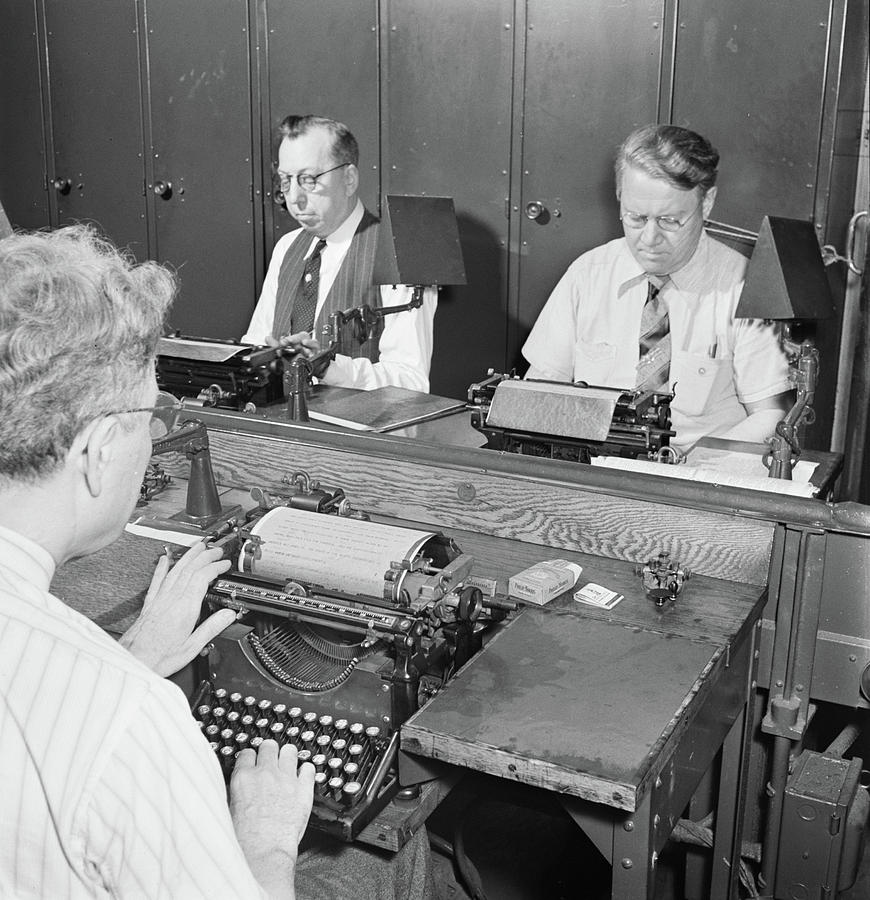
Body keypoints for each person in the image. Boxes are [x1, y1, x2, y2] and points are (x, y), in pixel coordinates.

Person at [0, 225, 433, 899]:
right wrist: (262, 842)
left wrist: (132, 655)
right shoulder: (135, 722)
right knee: (383, 859)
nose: (155, 438)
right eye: (149, 416)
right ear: (94, 452)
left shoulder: (103, 686)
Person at [522, 124, 792, 454]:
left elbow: (770, 416)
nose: (649, 239)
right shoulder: (587, 275)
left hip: (696, 484)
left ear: (706, 203)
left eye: (669, 221)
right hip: (593, 473)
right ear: (620, 198)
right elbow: (541, 389)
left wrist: (690, 468)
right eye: (636, 218)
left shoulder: (744, 288)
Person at [243, 115, 437, 392]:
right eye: (286, 180)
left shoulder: (397, 252)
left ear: (348, 179)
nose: (294, 197)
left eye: (309, 179)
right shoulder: (287, 247)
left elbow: (410, 380)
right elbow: (254, 343)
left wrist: (328, 367)